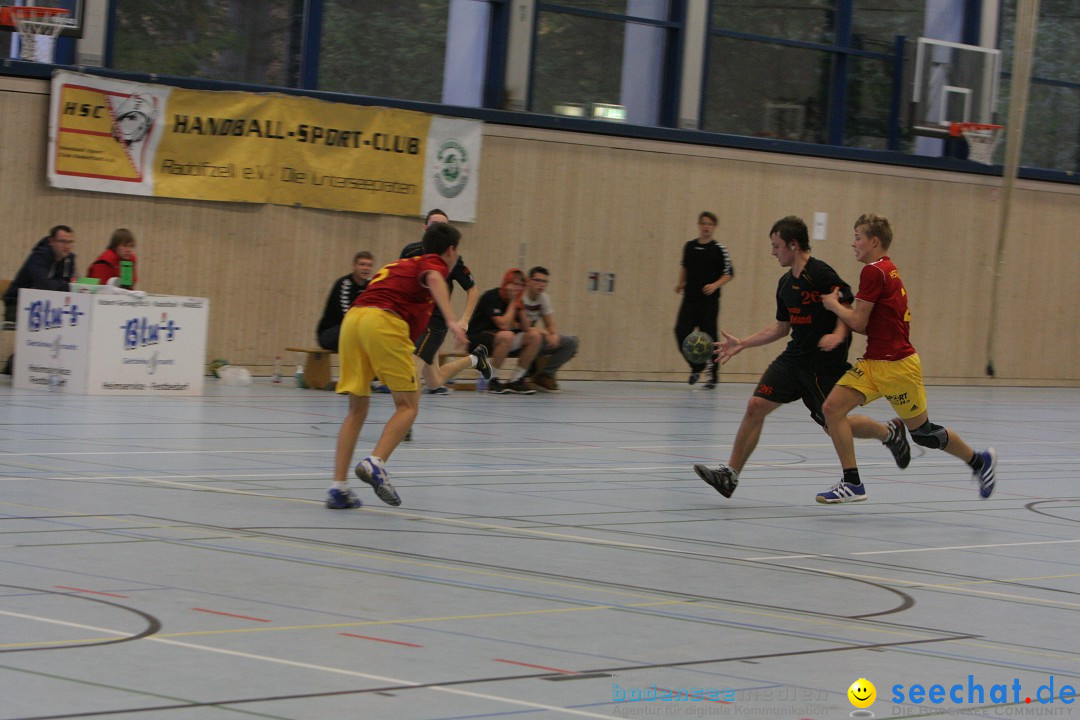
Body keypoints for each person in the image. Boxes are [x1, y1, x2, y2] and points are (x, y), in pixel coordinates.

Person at [693, 216, 911, 498]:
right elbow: (782, 327)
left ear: (794, 245)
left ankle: (888, 433)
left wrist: (838, 333)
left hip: (823, 363)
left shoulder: (819, 273)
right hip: (793, 360)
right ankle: (730, 476)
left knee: (834, 426)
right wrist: (742, 344)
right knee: (755, 405)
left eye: (777, 246)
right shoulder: (785, 284)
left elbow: (846, 304)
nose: (773, 252)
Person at [816, 213, 997, 503]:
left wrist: (833, 305)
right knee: (832, 409)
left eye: (858, 237)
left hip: (897, 367)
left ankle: (979, 461)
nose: (853, 243)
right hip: (875, 361)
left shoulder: (875, 271)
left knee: (924, 435)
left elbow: (859, 323)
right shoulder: (887, 269)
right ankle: (852, 483)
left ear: (874, 241)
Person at [327, 222, 493, 510]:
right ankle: (375, 462)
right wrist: (452, 319)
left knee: (356, 410)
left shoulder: (399, 264)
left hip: (354, 321)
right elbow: (435, 277)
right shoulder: (433, 262)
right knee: (408, 405)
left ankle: (338, 488)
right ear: (451, 250)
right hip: (383, 322)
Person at [400, 209, 479, 395]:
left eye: (444, 227)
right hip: (413, 317)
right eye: (434, 225)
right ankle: (475, 359)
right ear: (425, 227)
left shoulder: (452, 258)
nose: (438, 230)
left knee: (412, 368)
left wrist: (464, 319)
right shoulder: (410, 251)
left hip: (434, 322)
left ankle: (406, 418)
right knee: (434, 381)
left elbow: (472, 290)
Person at [675, 211, 734, 389]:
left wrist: (715, 285)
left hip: (709, 301)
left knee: (710, 338)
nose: (706, 227)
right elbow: (684, 267)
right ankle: (696, 366)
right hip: (690, 300)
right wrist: (680, 283)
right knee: (680, 331)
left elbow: (729, 273)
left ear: (714, 227)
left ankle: (712, 376)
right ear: (699, 225)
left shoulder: (719, 250)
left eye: (710, 224)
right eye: (704, 223)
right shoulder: (689, 247)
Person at [467, 268, 539, 395]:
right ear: (506, 283)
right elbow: (503, 324)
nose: (518, 288)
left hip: (501, 339)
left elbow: (527, 328)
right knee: (507, 335)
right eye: (515, 284)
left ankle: (516, 379)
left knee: (534, 336)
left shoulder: (518, 301)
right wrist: (512, 302)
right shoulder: (491, 296)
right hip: (477, 338)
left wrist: (520, 306)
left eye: (521, 285)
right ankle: (492, 379)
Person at [520, 266, 579, 392]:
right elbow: (522, 327)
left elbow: (550, 324)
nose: (541, 285)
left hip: (535, 337)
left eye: (544, 282)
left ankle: (545, 375)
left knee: (571, 342)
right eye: (537, 280)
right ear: (529, 281)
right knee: (536, 339)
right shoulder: (521, 297)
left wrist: (554, 334)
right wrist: (544, 332)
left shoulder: (543, 298)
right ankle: (525, 373)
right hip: (520, 338)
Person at [4, 225, 78, 324]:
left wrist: (65, 286)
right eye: (62, 242)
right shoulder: (39, 257)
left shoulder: (69, 259)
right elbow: (43, 285)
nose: (67, 246)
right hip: (18, 304)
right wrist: (65, 286)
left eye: (70, 242)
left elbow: (72, 284)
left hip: (50, 305)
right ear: (52, 242)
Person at [316, 250, 374, 351]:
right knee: (361, 334)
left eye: (369, 265)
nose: (365, 268)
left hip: (355, 329)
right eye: (362, 264)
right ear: (354, 266)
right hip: (331, 332)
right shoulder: (344, 285)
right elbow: (347, 316)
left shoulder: (372, 285)